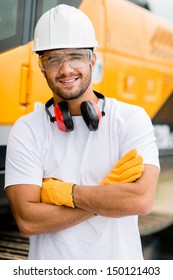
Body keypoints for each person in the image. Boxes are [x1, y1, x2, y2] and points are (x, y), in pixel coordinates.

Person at [5, 4, 160, 260]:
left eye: (76, 56)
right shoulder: (27, 130)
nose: (66, 70)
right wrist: (109, 193)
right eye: (53, 59)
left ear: (92, 60)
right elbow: (28, 221)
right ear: (42, 67)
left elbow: (141, 200)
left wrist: (66, 193)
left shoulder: (131, 119)